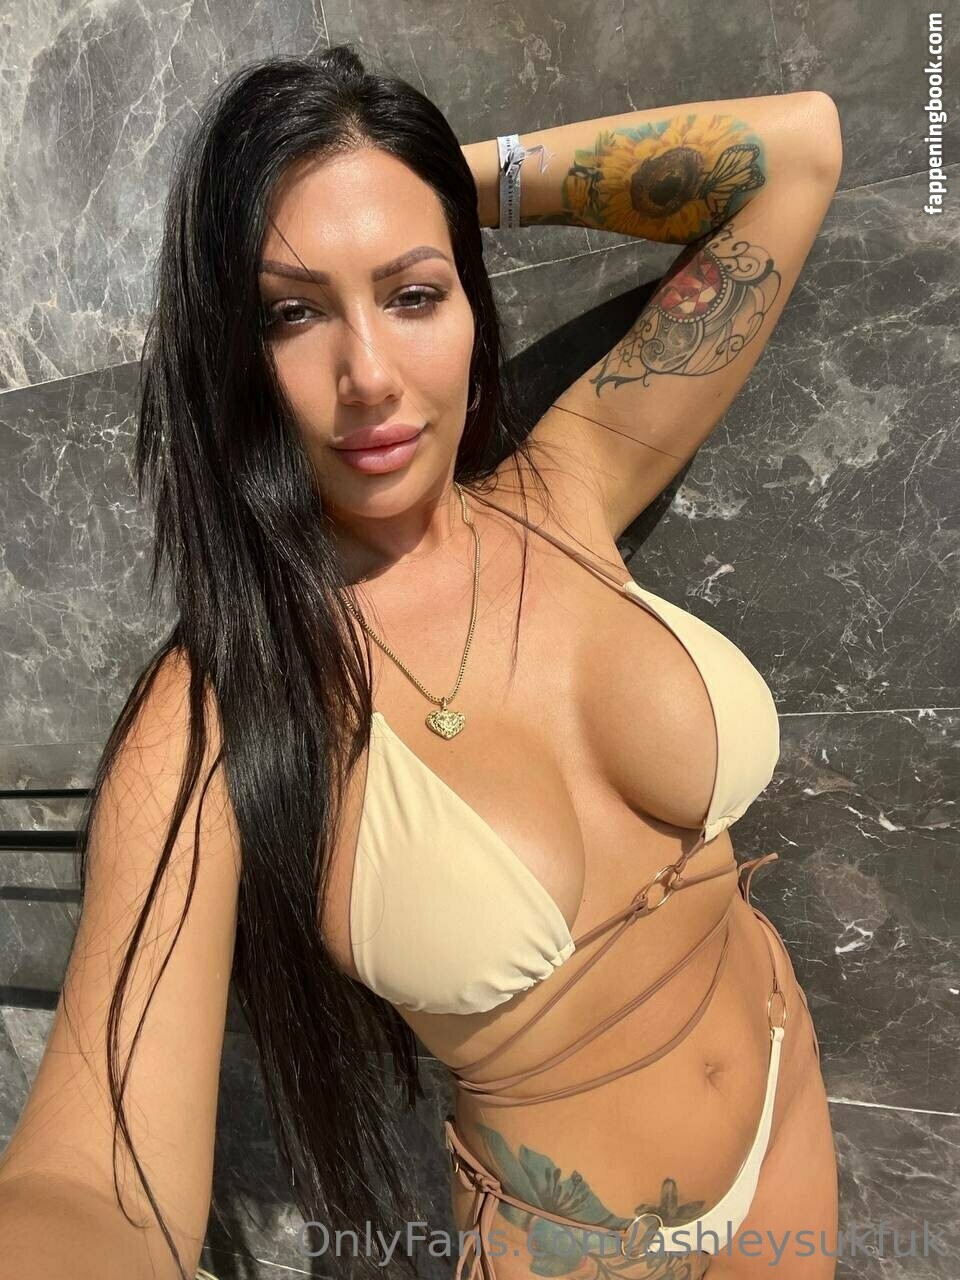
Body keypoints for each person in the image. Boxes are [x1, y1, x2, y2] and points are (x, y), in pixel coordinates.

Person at [0, 44, 844, 1280]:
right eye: (293, 312)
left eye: (412, 292)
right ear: (235, 355)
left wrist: (441, 176)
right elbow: (95, 1179)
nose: (370, 377)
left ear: (469, 302)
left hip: (788, 1099)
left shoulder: (566, 493)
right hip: (576, 1244)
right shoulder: (213, 715)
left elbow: (797, 153)